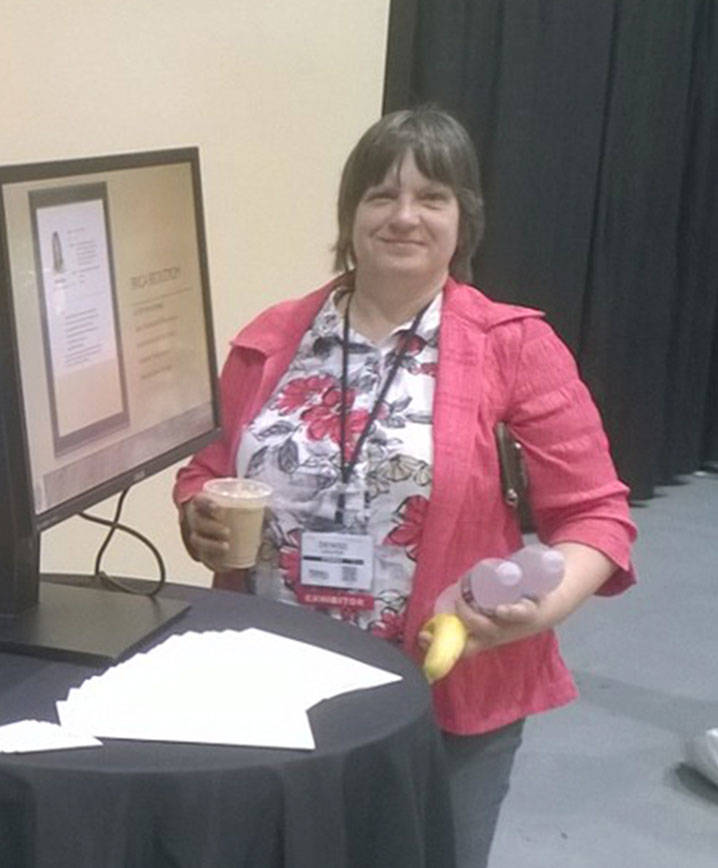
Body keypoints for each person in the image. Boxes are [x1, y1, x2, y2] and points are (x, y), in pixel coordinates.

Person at [174, 107, 635, 868]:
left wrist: (533, 613)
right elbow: (209, 463)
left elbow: (596, 515)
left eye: (433, 197)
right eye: (381, 195)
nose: (404, 216)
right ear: (349, 213)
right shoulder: (271, 340)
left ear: (465, 220)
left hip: (442, 697)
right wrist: (198, 510)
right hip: (268, 681)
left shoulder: (515, 348)